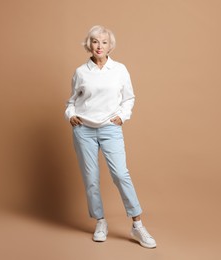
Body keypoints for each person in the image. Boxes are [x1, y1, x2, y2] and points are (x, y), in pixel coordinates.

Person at [64, 25, 156, 249]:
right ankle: (100, 222)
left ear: (110, 45)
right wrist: (70, 115)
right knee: (91, 179)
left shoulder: (120, 70)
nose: (99, 46)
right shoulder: (81, 72)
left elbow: (129, 98)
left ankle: (137, 225)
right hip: (83, 129)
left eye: (104, 42)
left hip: (110, 129)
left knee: (121, 175)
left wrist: (123, 116)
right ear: (89, 44)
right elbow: (71, 102)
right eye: (95, 41)